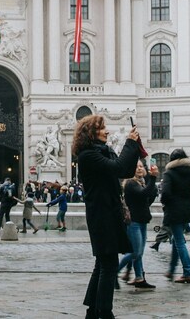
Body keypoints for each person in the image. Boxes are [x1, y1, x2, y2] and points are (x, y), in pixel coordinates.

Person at [74, 114, 140, 319]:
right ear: (90, 133)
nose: (107, 131)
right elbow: (118, 167)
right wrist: (129, 143)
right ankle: (105, 312)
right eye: (102, 128)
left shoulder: (102, 152)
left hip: (107, 212)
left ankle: (93, 311)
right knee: (109, 265)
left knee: (102, 264)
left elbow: (126, 170)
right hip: (102, 214)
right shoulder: (88, 156)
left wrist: (133, 145)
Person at [161, 148, 190, 283]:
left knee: (179, 241)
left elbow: (165, 193)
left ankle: (188, 272)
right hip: (186, 211)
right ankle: (172, 270)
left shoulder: (169, 174)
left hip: (174, 211)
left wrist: (166, 203)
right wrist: (188, 200)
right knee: (176, 239)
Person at [118, 160, 158, 290]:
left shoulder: (141, 182)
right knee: (135, 252)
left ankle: (139, 278)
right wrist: (153, 178)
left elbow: (148, 198)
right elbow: (143, 194)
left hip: (141, 221)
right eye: (136, 167)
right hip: (134, 222)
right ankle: (114, 272)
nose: (139, 168)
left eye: (141, 166)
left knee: (139, 253)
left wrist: (151, 181)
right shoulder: (131, 183)